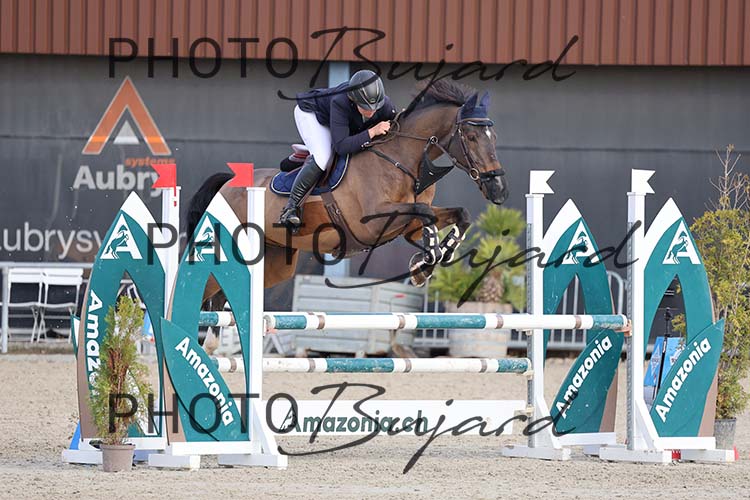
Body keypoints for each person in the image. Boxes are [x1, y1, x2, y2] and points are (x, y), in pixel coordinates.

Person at [279, 69, 397, 231]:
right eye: (366, 107)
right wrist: (371, 132)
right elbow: (341, 147)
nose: (372, 112)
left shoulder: (384, 104)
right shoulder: (340, 102)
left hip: (339, 123)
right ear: (353, 99)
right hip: (312, 114)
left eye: (375, 108)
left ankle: (307, 154)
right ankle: (291, 208)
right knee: (323, 157)